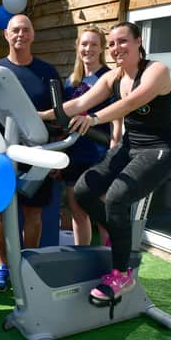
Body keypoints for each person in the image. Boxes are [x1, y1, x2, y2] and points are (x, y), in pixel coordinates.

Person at [41, 22, 171, 301]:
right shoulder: (114, 77)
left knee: (117, 198)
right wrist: (38, 115)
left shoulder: (156, 71)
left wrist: (93, 119)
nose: (117, 48)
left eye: (123, 41)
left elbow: (130, 103)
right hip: (130, 147)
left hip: (159, 150)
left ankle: (121, 274)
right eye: (113, 43)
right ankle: (119, 236)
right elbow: (76, 105)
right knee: (82, 191)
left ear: (139, 42)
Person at [0, 14, 62, 291]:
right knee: (2, 215)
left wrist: (55, 154)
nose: (20, 34)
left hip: (38, 155)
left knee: (33, 215)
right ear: (6, 35)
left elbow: (58, 115)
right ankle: (2, 267)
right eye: (15, 30)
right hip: (3, 155)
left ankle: (27, 266)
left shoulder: (48, 72)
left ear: (33, 35)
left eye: (26, 29)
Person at [62, 24, 122, 246]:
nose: (89, 48)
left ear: (102, 48)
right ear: (78, 47)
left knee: (101, 214)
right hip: (74, 154)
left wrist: (115, 147)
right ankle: (82, 257)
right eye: (84, 44)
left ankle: (110, 264)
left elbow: (118, 116)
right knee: (77, 211)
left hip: (99, 155)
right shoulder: (71, 81)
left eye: (94, 44)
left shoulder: (109, 77)